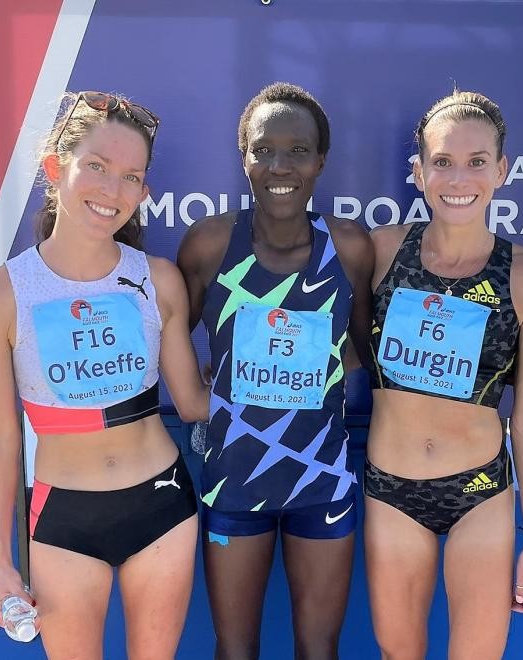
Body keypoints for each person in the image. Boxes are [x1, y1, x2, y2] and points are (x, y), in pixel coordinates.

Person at [0, 91, 208, 660]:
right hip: (65, 518)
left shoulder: (159, 279)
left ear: (144, 193)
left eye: (131, 177)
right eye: (96, 166)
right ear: (55, 168)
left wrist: (295, 366)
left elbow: (194, 403)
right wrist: (1, 561)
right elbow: (1, 435)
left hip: (163, 504)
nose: (112, 189)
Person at [177, 82, 375, 660]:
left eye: (297, 151)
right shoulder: (210, 244)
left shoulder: (349, 246)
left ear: (321, 161)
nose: (279, 166)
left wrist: (513, 366)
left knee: (319, 647)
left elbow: (367, 348)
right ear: (244, 158)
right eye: (262, 150)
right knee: (235, 649)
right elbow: (165, 336)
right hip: (233, 480)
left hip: (322, 477)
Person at [364, 90, 523, 659]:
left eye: (477, 162)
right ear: (419, 171)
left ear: (501, 170)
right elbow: (334, 339)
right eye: (443, 161)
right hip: (391, 488)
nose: (458, 178)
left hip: (479, 491)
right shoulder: (381, 250)